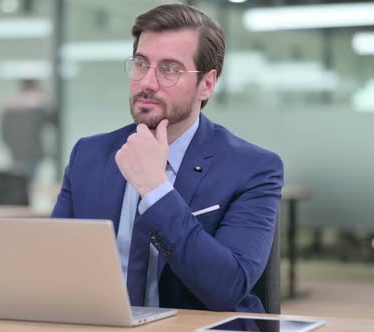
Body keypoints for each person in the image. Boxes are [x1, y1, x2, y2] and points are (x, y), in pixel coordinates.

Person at [51, 4, 283, 313]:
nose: (147, 82)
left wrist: (156, 190)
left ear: (207, 84)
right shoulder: (89, 155)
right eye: (141, 64)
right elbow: (53, 265)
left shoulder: (253, 169)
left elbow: (227, 289)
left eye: (169, 69)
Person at [1, 79, 52, 182]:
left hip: (16, 153)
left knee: (18, 184)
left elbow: (3, 133)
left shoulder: (9, 106)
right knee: (27, 185)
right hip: (32, 153)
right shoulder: (38, 106)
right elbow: (52, 120)